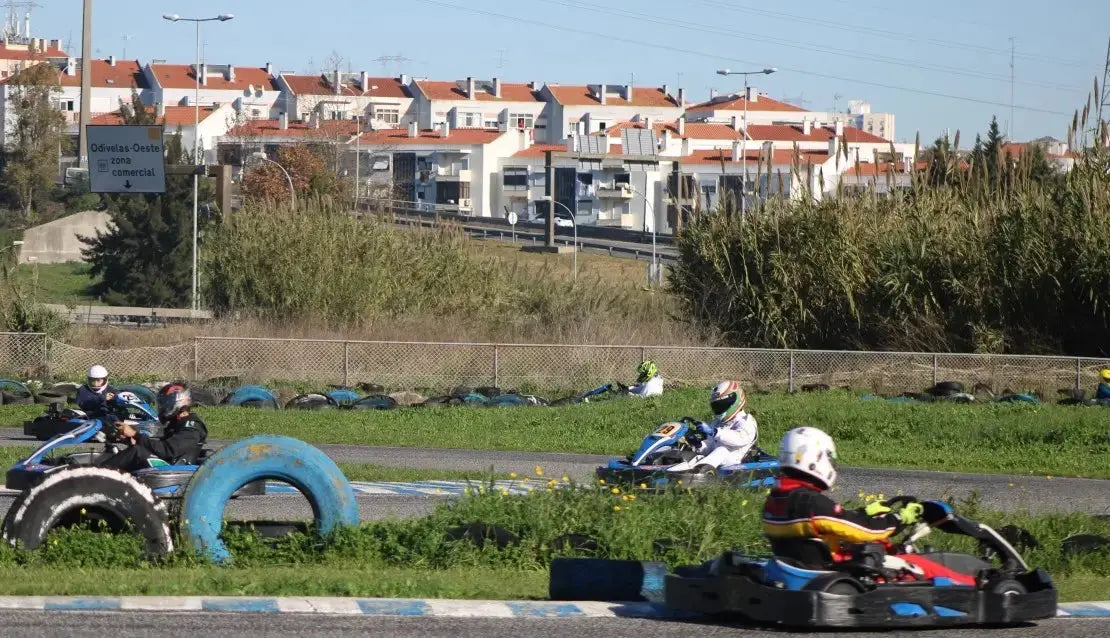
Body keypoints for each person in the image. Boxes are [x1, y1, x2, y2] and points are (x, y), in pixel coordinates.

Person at [761, 426, 923, 562]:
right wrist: (898, 519)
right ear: (815, 458)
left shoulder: (775, 500)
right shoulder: (811, 503)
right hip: (834, 571)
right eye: (829, 458)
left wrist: (864, 513)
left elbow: (835, 523)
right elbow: (864, 531)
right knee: (926, 569)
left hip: (798, 568)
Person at [99, 382, 208, 472]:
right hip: (168, 463)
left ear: (179, 402)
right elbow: (161, 447)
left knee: (137, 452)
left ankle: (96, 474)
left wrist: (135, 435)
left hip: (175, 469)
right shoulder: (177, 423)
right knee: (133, 449)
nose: (163, 407)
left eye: (166, 403)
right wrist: (133, 439)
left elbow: (167, 450)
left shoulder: (192, 427)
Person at [687, 380, 759, 469]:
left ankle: (697, 471)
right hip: (716, 462)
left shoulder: (746, 421)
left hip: (736, 461)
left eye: (722, 405)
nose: (720, 408)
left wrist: (714, 432)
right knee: (691, 450)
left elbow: (738, 438)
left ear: (735, 401)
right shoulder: (717, 423)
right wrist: (699, 445)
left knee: (722, 450)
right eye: (717, 406)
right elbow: (711, 445)